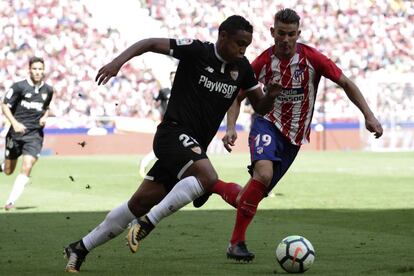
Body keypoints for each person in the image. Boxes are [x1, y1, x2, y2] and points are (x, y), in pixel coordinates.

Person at [64, 15, 282, 273]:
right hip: (172, 134)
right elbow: (148, 43)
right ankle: (147, 224)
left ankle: (80, 248)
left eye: (247, 44)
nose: (243, 50)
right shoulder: (196, 51)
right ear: (222, 35)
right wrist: (117, 62)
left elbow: (259, 105)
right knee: (207, 177)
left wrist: (271, 95)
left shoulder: (243, 68)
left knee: (137, 204)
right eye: (238, 43)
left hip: (190, 147)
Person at [194, 8, 384, 262]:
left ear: (298, 34)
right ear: (273, 33)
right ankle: (236, 243)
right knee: (263, 174)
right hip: (266, 124)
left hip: (294, 138)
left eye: (291, 34)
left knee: (247, 198)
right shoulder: (262, 61)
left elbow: (346, 83)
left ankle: (211, 185)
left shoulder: (313, 59)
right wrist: (230, 127)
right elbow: (236, 96)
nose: (285, 39)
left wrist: (368, 115)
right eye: (281, 33)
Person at [0, 56, 54, 211]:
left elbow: (46, 107)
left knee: (28, 165)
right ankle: (3, 166)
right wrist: (15, 123)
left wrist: (44, 116)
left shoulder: (48, 90)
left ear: (44, 71)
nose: (37, 72)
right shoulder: (19, 87)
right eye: (35, 69)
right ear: (29, 70)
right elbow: (4, 106)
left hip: (34, 135)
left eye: (40, 69)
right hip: (16, 134)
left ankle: (10, 201)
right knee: (9, 171)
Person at [139, 71, 175, 178]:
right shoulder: (165, 91)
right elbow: (155, 103)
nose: (173, 79)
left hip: (177, 122)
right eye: (172, 77)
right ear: (169, 79)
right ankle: (145, 163)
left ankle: (148, 163)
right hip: (167, 122)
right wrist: (154, 114)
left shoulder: (181, 90)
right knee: (165, 146)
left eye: (175, 77)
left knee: (169, 147)